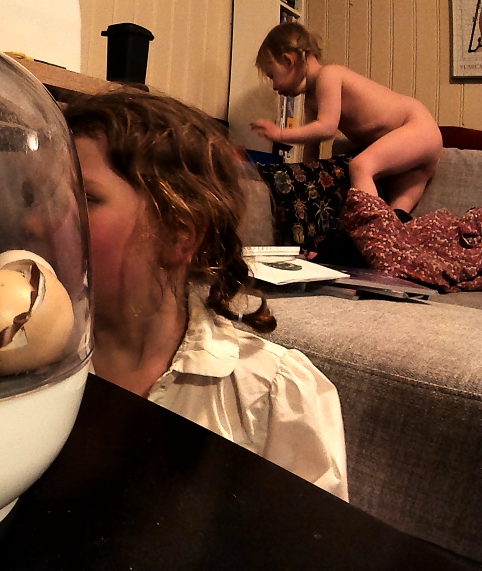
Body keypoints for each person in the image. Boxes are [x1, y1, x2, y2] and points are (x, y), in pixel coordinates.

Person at [64, 88, 348, 499]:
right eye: (38, 196)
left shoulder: (272, 395)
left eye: (84, 197)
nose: (35, 221)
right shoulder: (30, 364)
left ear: (179, 235)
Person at [250, 23, 442, 215]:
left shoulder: (329, 75)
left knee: (361, 166)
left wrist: (281, 134)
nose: (274, 86)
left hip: (417, 127)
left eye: (272, 75)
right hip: (414, 149)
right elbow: (311, 148)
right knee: (395, 215)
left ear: (288, 61)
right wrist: (305, 180)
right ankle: (390, 229)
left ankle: (370, 228)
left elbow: (327, 128)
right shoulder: (310, 99)